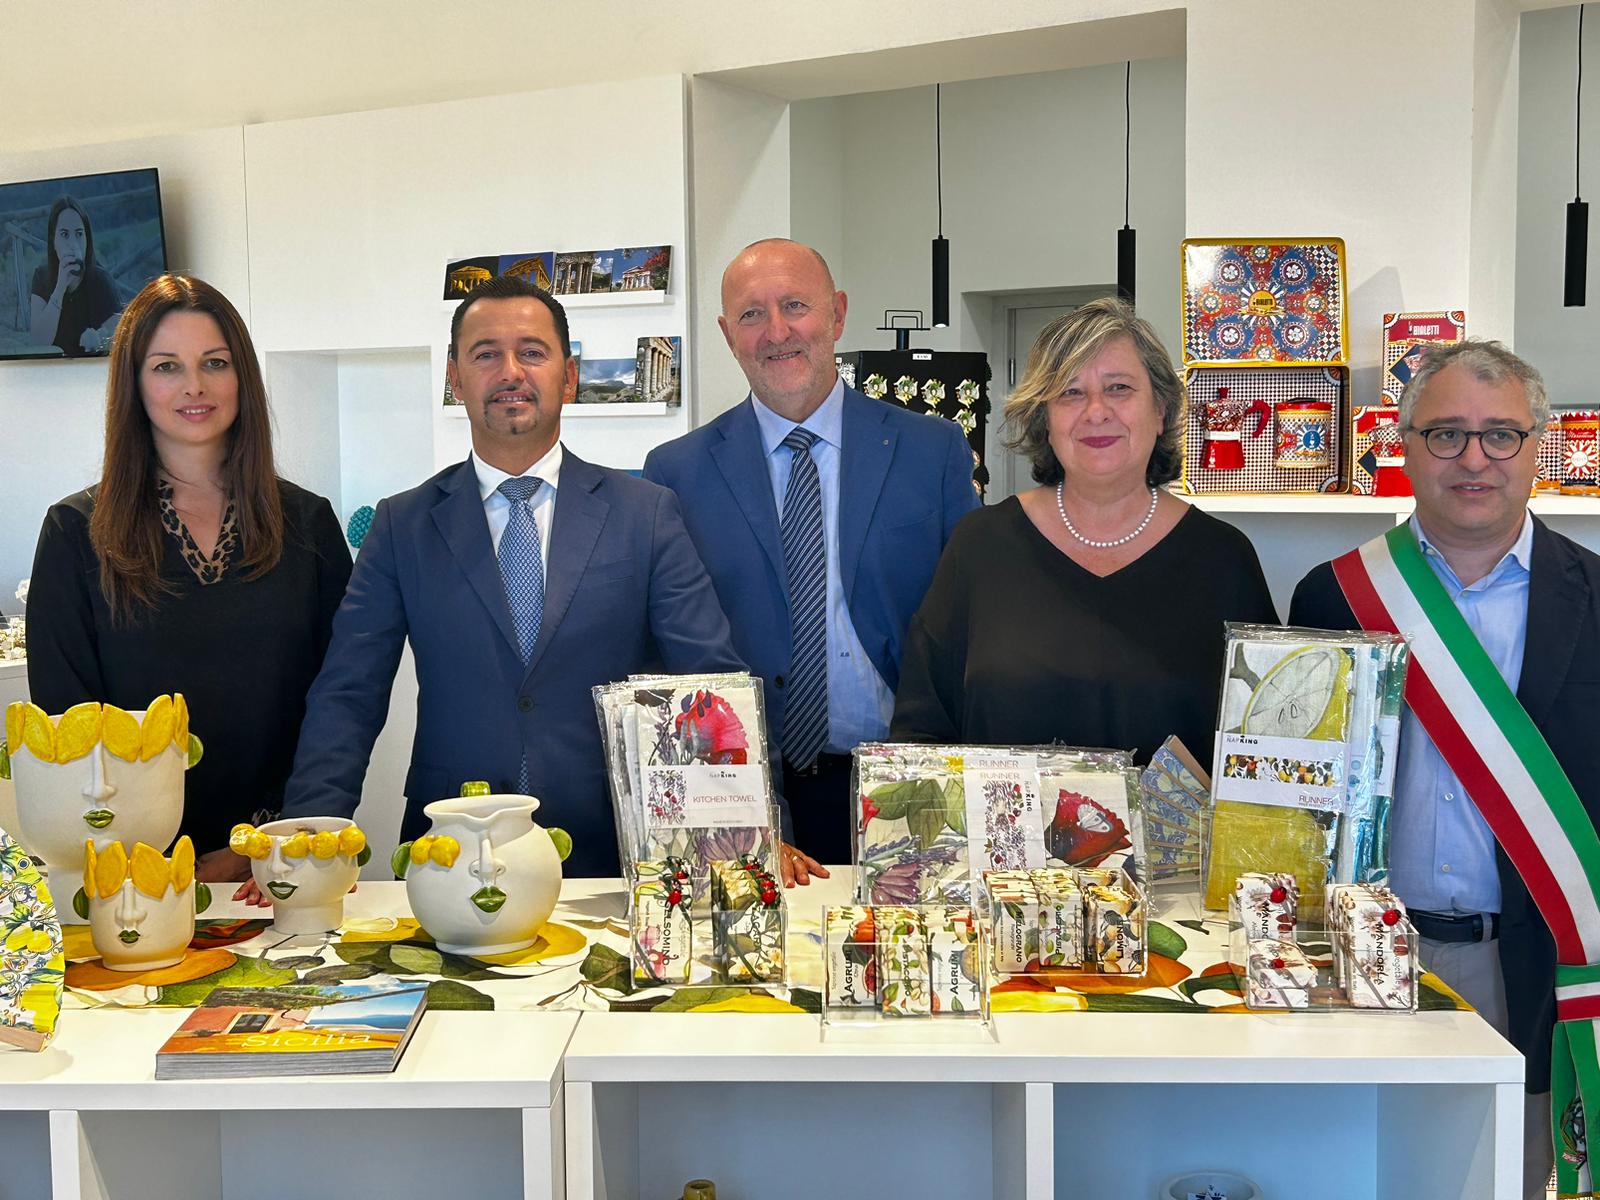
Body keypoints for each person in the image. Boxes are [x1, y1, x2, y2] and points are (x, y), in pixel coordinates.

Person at [275, 275, 746, 881]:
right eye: (486, 354)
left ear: (568, 376)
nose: (510, 372)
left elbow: (711, 682)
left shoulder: (645, 513)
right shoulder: (403, 524)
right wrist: (308, 834)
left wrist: (750, 825)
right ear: (455, 378)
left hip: (612, 854)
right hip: (447, 851)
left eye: (532, 352)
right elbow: (348, 692)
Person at [1289, 340, 1600, 1200]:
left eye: (1501, 435)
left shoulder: (1598, 598)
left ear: (1540, 445)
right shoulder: (1333, 597)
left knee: (1508, 1178)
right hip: (1361, 959)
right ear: (1404, 442)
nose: (1474, 459)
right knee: (1352, 1170)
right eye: (1446, 434)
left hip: (1537, 967)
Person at [644, 239, 978, 880]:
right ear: (726, 333)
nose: (776, 332)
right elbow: (676, 655)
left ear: (837, 314)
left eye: (795, 306)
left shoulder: (930, 451)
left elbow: (966, 627)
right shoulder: (676, 473)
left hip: (906, 782)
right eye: (750, 314)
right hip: (746, 791)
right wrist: (743, 812)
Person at [25, 274, 351, 881]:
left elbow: (338, 702)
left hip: (285, 859)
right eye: (167, 366)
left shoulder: (308, 523)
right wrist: (156, 863)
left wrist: (273, 837)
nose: (194, 386)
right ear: (134, 383)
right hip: (136, 875)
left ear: (242, 378)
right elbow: (70, 723)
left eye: (215, 362)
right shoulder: (75, 531)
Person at [891, 297, 1276, 760]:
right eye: (1070, 393)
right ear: (1045, 420)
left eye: (1118, 388)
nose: (1095, 411)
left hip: (1175, 837)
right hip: (1004, 835)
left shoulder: (1224, 559)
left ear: (1161, 411)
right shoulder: (980, 546)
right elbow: (922, 733)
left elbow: (1263, 747)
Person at [28, 197, 124, 357]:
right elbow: (39, 342)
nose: (73, 243)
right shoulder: (41, 277)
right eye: (64, 234)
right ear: (53, 241)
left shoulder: (101, 280)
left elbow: (119, 340)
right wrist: (60, 288)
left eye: (79, 234)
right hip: (49, 373)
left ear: (87, 240)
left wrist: (100, 337)